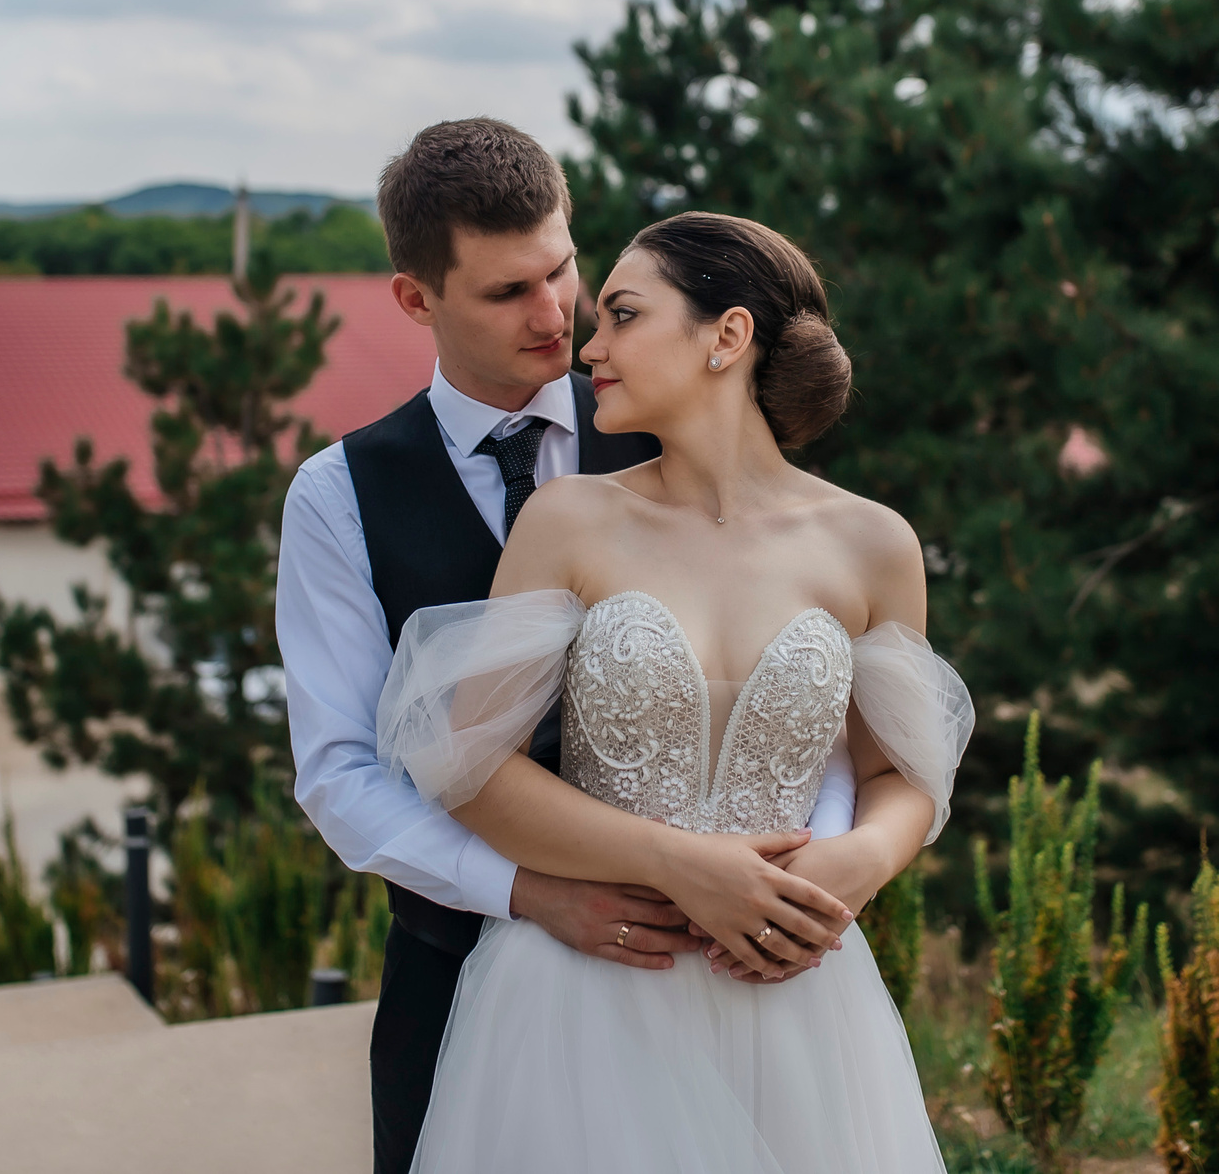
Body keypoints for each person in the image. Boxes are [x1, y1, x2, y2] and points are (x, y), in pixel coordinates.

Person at [276, 120, 864, 1174]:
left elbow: (805, 679)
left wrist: (793, 875)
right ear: (417, 300)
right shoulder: (338, 498)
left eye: (562, 270)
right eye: (508, 293)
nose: (556, 317)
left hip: (733, 973)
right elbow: (340, 772)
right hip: (459, 966)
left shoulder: (673, 416)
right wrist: (526, 891)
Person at [377, 208, 972, 1172]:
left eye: (621, 314)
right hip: (585, 1000)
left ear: (726, 336)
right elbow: (471, 773)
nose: (589, 343)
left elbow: (901, 771)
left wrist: (861, 858)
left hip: (796, 1000)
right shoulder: (570, 520)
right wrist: (679, 864)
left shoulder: (873, 542)